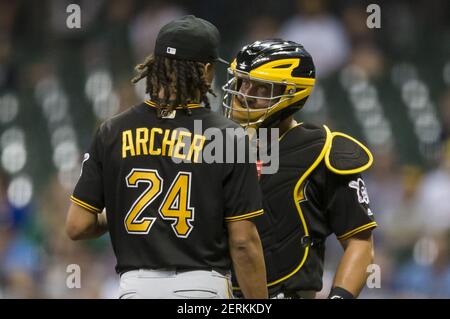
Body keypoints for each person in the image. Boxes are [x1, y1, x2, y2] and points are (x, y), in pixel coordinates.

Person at [65, 15, 268, 299]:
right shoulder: (228, 137)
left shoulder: (111, 131)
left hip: (134, 288)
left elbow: (78, 226)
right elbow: (244, 242)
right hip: (201, 286)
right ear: (207, 70)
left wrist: (128, 208)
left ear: (155, 65)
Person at [223, 39, 377, 299]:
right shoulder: (216, 144)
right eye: (243, 82)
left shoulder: (323, 150)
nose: (245, 94)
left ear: (291, 92)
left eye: (261, 87)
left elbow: (360, 243)